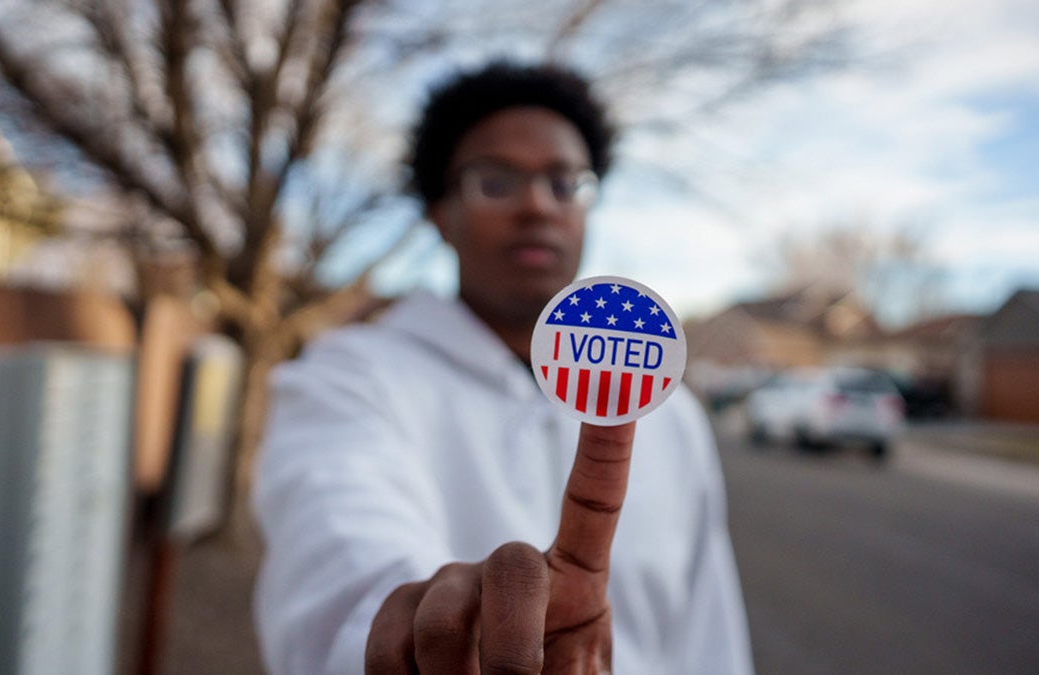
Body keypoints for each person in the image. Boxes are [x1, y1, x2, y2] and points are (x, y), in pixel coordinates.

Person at [252, 61, 753, 674]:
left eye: (564, 183)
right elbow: (336, 559)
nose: (538, 205)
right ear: (439, 214)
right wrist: (430, 633)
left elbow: (710, 638)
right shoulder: (348, 379)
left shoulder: (669, 416)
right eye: (496, 181)